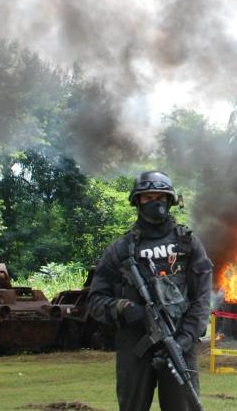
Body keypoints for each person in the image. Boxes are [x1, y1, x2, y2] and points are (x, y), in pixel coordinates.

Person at [88, 171, 213, 411]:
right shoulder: (120, 250)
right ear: (137, 202)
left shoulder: (188, 244)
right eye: (147, 198)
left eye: (160, 197)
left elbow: (202, 300)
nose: (154, 203)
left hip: (179, 344)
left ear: (170, 201)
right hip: (135, 346)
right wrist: (124, 309)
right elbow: (95, 300)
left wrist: (183, 340)